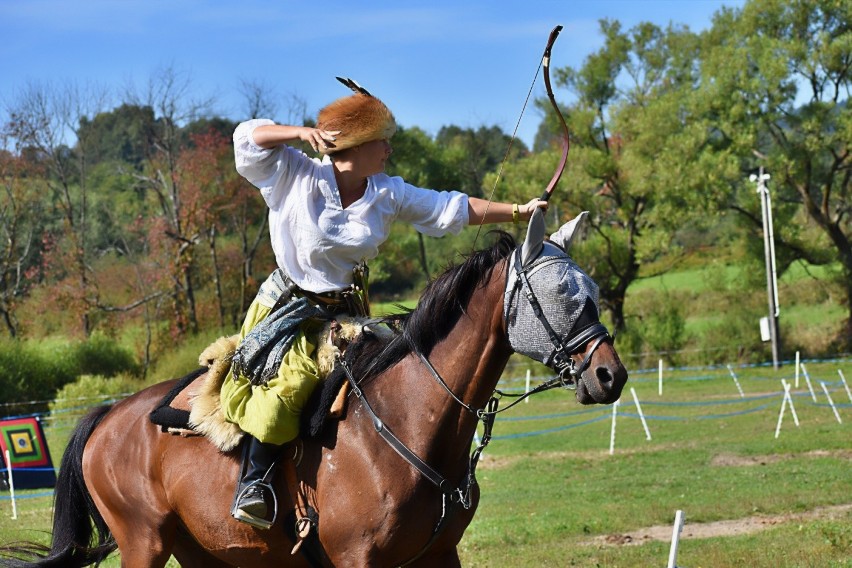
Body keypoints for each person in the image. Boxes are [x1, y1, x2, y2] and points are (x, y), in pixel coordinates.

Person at [222, 78, 546, 528]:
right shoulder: (294, 174)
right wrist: (298, 133)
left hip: (346, 315)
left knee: (398, 376)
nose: (388, 152)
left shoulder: (385, 192)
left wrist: (517, 210)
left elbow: (448, 208)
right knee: (289, 392)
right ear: (354, 145)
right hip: (290, 313)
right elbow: (246, 138)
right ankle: (254, 484)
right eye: (382, 143)